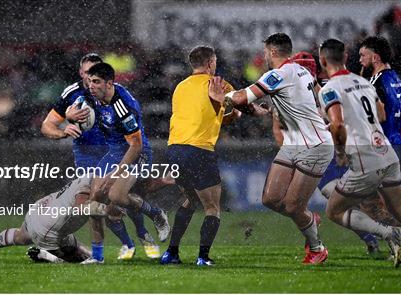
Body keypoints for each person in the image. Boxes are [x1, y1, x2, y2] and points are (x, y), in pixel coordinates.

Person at [318, 38, 401, 272]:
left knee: (334, 210)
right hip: (387, 153)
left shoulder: (329, 89)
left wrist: (339, 149)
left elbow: (338, 124)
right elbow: (380, 114)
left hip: (364, 159)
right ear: (346, 57)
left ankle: (389, 233)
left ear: (322, 60)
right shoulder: (363, 82)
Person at [214, 33, 334, 265]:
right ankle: (309, 218)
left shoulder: (280, 74)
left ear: (271, 52)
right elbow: (271, 105)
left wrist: (221, 96)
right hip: (294, 143)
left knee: (292, 206)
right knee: (270, 199)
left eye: (265, 52)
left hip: (314, 146)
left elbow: (240, 98)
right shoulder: (300, 71)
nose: (264, 56)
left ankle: (317, 248)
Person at [40, 53, 160, 260]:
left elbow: (133, 135)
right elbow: (46, 126)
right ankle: (109, 251)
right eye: (87, 74)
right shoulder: (73, 94)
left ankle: (143, 233)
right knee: (93, 207)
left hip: (115, 151)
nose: (90, 79)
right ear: (81, 73)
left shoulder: (117, 97)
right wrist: (63, 130)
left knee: (117, 201)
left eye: (96, 75)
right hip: (87, 155)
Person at [159, 45, 248, 266]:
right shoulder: (218, 83)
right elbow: (236, 107)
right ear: (210, 62)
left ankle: (171, 253)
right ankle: (203, 257)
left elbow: (210, 114)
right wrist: (234, 109)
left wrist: (226, 111)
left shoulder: (180, 86)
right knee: (212, 207)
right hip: (198, 150)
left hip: (174, 150)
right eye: (215, 61)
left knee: (190, 200)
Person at [85, 62, 170, 264]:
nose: (91, 86)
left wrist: (114, 175)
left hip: (137, 153)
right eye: (89, 82)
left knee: (116, 195)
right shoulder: (94, 97)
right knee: (94, 203)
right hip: (114, 152)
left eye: (96, 82)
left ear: (109, 83)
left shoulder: (123, 106)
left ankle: (156, 213)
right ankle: (98, 257)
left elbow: (136, 145)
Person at [359, 36, 401, 261]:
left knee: (382, 206)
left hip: (383, 149)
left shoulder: (376, 82)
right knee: (381, 204)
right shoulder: (394, 78)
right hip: (396, 145)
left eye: (363, 55)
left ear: (375, 57)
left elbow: (379, 115)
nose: (360, 59)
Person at [0, 178, 108, 263]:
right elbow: (81, 208)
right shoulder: (89, 187)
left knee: (20, 236)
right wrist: (107, 210)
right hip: (48, 227)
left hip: (40, 208)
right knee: (75, 258)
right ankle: (44, 255)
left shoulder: (89, 177)